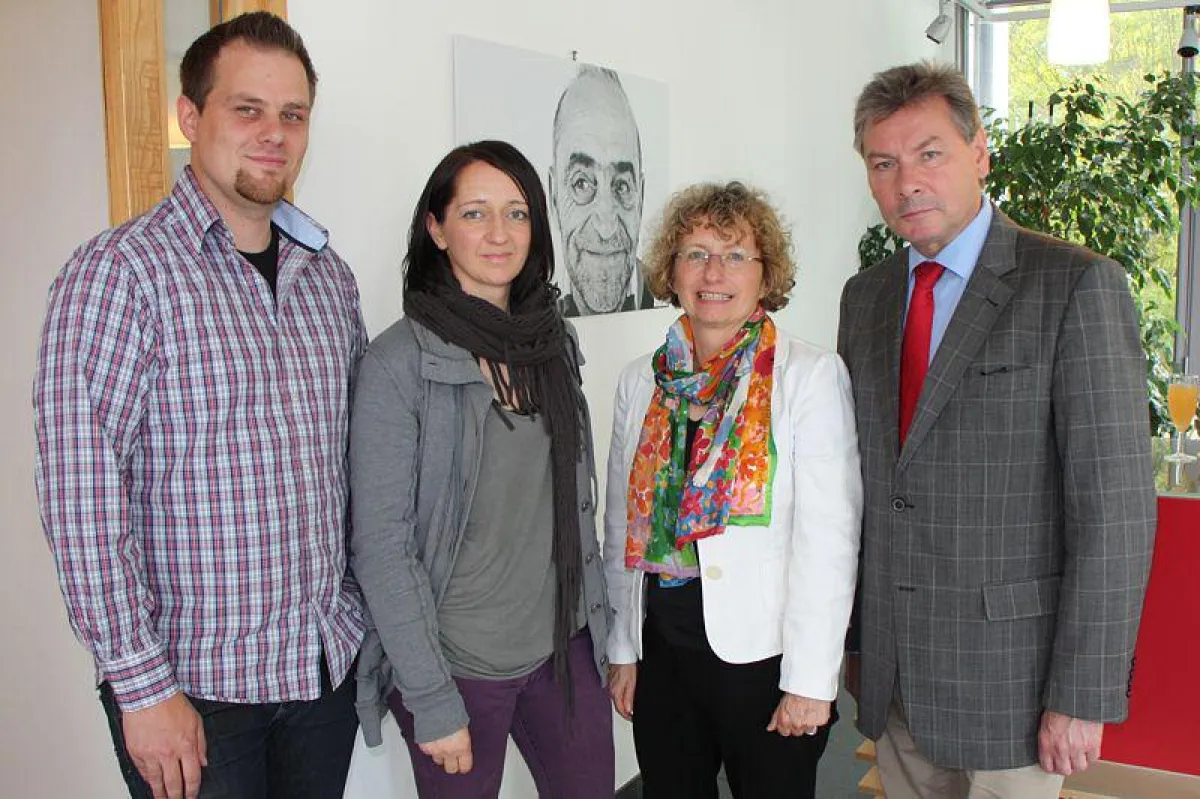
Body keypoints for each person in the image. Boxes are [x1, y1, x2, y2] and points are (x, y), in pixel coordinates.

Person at [33, 12, 365, 799]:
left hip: (322, 672)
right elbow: (83, 497)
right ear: (191, 117)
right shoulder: (118, 276)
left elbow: (349, 469)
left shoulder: (331, 280)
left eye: (293, 114)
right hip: (196, 693)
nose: (273, 134)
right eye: (247, 109)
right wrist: (142, 688)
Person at [839, 61, 1158, 799]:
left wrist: (1082, 690)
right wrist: (858, 644)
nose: (907, 181)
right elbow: (867, 488)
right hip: (897, 683)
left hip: (1013, 685)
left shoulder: (1074, 285)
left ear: (979, 152)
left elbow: (1114, 510)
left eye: (929, 154)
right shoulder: (867, 298)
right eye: (883, 164)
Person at [349, 140, 614, 798]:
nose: (500, 233)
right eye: (474, 213)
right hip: (457, 664)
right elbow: (381, 545)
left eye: (517, 213)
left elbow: (571, 507)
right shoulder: (397, 365)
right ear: (436, 228)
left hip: (563, 646)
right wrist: (431, 696)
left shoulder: (553, 340)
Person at [603, 181, 862, 799]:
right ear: (672, 269)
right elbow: (619, 524)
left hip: (763, 660)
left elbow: (829, 540)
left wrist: (811, 681)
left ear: (765, 274)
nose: (714, 272)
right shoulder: (643, 380)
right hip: (663, 649)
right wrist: (623, 647)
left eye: (735, 255)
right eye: (695, 253)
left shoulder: (808, 377)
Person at [549, 65, 655, 316]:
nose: (606, 228)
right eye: (581, 183)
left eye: (622, 185)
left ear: (640, 197)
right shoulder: (528, 310)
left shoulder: (670, 298)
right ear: (554, 195)